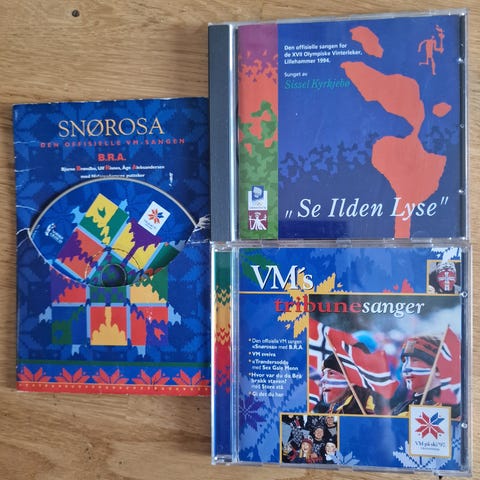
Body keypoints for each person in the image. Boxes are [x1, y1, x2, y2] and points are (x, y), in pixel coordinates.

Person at [392, 335, 459, 416]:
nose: (406, 368)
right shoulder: (401, 409)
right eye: (404, 361)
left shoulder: (455, 409)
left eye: (415, 360)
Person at [312, 353, 378, 414]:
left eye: (331, 373)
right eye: (324, 374)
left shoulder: (365, 415)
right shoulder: (331, 412)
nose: (322, 380)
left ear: (352, 380)